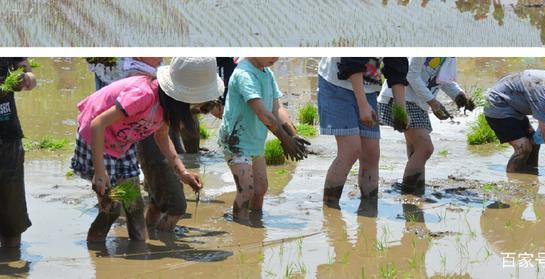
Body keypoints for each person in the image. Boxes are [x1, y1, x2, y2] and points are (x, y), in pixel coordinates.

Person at [70, 57, 219, 242]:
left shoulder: (168, 107)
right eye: (194, 106)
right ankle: (98, 258)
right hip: (97, 138)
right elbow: (97, 124)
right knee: (112, 208)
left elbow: (161, 137)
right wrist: (100, 172)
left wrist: (183, 172)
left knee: (135, 206)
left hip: (123, 142)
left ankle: (140, 253)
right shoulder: (143, 95)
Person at [218, 58, 309, 224]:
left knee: (260, 188)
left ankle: (256, 221)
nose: (275, 57)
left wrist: (293, 134)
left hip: (255, 139)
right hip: (236, 141)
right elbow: (262, 113)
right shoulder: (244, 74)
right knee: (246, 190)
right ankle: (241, 228)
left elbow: (277, 108)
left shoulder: (267, 73)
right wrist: (284, 140)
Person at [318, 58, 408, 207]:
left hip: (368, 87)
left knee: (371, 153)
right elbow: (351, 61)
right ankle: (330, 211)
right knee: (350, 150)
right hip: (337, 82)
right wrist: (363, 105)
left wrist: (401, 110)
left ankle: (370, 209)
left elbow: (396, 64)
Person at [377, 58, 473, 194]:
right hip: (402, 98)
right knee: (425, 148)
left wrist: (458, 95)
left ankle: (417, 191)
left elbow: (442, 79)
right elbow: (410, 74)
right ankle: (408, 194)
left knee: (417, 150)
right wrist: (433, 102)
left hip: (419, 102)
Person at [0, 58, 37, 249]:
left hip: (8, 136)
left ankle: (12, 256)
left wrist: (26, 78)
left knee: (12, 221)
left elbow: (29, 73)